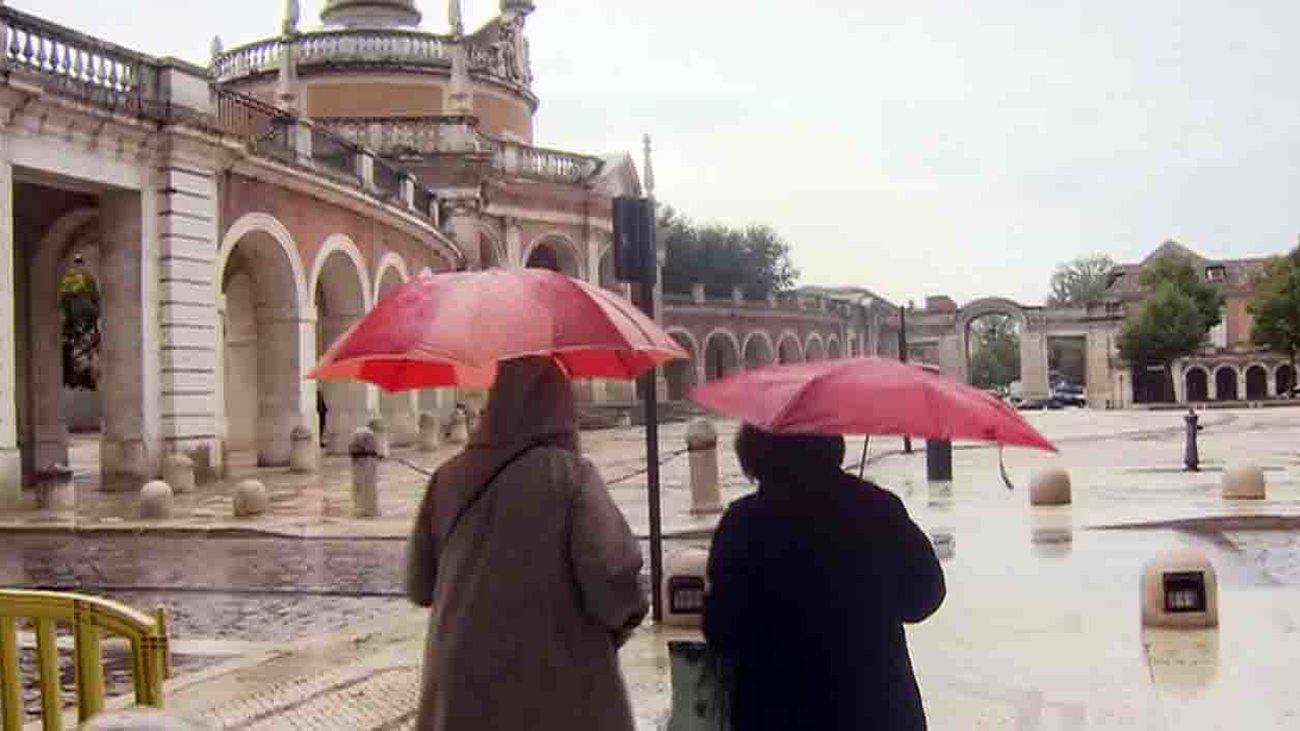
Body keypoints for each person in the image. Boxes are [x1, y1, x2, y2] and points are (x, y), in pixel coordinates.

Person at [405, 356, 648, 731]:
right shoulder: (571, 477)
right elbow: (613, 576)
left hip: (461, 687)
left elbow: (419, 585)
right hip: (561, 684)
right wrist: (625, 618)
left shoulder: (446, 478)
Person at [703, 424, 946, 731]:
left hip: (773, 712)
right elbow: (925, 596)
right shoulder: (877, 508)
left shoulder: (742, 523)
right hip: (878, 710)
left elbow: (720, 629)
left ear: (753, 454)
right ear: (831, 443)